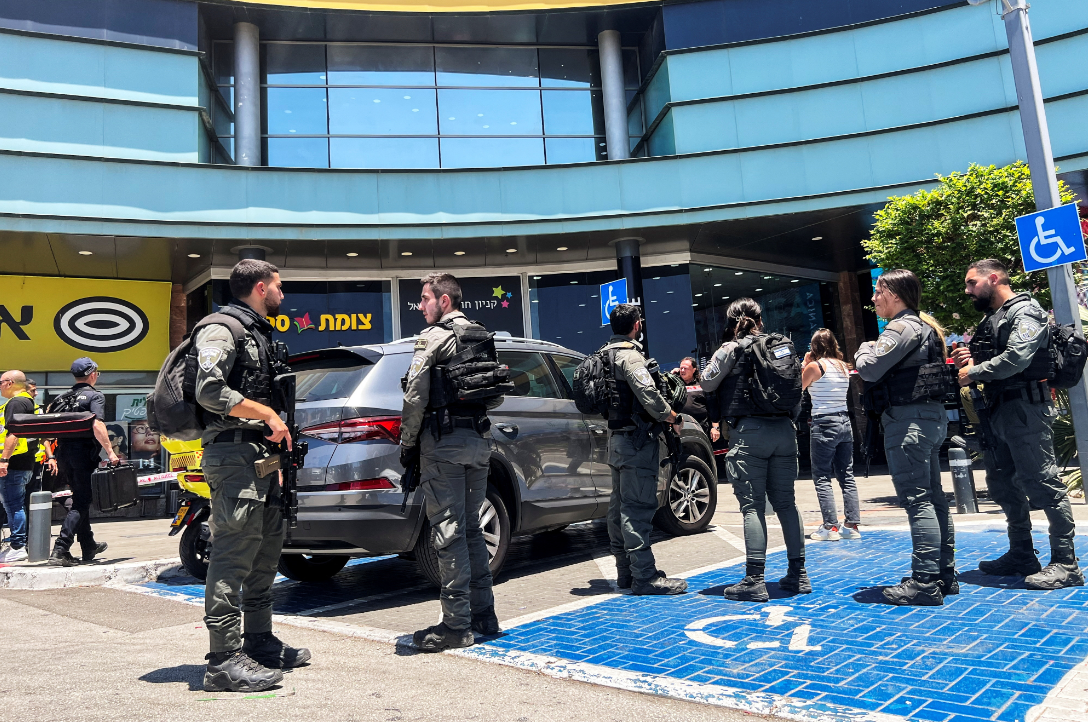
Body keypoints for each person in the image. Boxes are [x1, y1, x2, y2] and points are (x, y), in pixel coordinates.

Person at [193, 259, 310, 693]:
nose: (283, 293)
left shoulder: (260, 331)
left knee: (265, 549)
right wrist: (264, 413)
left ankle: (258, 640)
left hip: (260, 455)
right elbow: (209, 390)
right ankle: (222, 661)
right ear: (261, 287)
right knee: (232, 550)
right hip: (234, 454)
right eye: (279, 286)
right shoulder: (221, 329)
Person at [952, 259, 1081, 590]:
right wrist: (972, 359)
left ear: (993, 279)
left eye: (972, 283)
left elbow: (1016, 358)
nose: (968, 290)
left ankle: (1066, 563)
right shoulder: (994, 317)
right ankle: (1022, 553)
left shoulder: (1026, 311)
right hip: (998, 410)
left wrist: (974, 371)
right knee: (1002, 484)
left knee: (1043, 483)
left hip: (1025, 409)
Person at [399, 273, 508, 651]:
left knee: (448, 532)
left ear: (444, 302)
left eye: (426, 298)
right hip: (478, 444)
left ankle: (456, 624)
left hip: (442, 445)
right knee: (473, 530)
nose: (421, 305)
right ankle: (485, 615)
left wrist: (408, 442)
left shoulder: (432, 338)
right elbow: (494, 397)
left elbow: (414, 395)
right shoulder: (482, 336)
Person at [855, 269, 956, 606]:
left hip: (909, 422)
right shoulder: (926, 328)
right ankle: (943, 573)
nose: (873, 299)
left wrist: (863, 349)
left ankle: (925, 582)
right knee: (934, 498)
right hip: (928, 419)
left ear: (895, 295)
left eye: (878, 292)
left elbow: (869, 368)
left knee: (918, 500)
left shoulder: (901, 327)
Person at [701, 298, 807, 602]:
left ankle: (755, 579)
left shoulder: (731, 348)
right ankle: (798, 575)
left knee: (753, 507)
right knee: (787, 503)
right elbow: (795, 390)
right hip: (785, 432)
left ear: (732, 321)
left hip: (750, 434)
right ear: (760, 319)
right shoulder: (781, 347)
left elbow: (707, 383)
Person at [602, 304, 687, 596]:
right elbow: (648, 395)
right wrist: (673, 418)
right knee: (636, 508)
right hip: (637, 442)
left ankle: (625, 572)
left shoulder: (604, 355)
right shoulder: (629, 356)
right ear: (636, 325)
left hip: (615, 441)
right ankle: (645, 576)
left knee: (618, 509)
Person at [48, 359, 116, 567]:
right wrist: (111, 452)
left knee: (80, 498)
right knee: (81, 502)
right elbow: (97, 424)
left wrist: (51, 456)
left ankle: (88, 546)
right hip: (83, 454)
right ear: (92, 374)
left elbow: (47, 428)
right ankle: (60, 548)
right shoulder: (94, 396)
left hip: (63, 454)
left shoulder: (61, 398)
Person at [803, 329, 861, 542]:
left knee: (822, 476)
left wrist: (804, 363)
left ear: (814, 346)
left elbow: (798, 387)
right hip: (844, 421)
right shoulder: (843, 367)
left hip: (824, 422)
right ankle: (851, 525)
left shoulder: (815, 367)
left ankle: (830, 527)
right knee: (846, 475)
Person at [0, 371, 40, 562]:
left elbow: (13, 433)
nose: (0, 386)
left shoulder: (16, 403)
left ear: (9, 383)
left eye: (1, 382)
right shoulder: (26, 402)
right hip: (23, 462)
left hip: (14, 463)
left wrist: (4, 460)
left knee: (13, 505)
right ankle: (18, 544)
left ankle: (17, 546)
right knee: (15, 504)